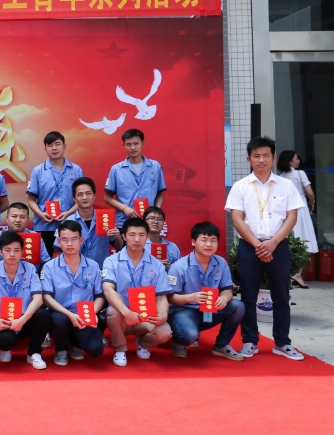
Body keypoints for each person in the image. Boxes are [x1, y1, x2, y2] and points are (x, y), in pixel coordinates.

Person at [226, 136, 305, 360]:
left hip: (277, 244)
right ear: (248, 159)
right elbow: (237, 219)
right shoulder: (241, 186)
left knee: (281, 295)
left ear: (273, 158)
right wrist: (258, 244)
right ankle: (250, 341)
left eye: (266, 156)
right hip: (249, 245)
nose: (261, 160)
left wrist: (273, 243)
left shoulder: (286, 185)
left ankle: (282, 342)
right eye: (256, 156)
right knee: (248, 296)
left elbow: (291, 217)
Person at [167, 221, 245, 361]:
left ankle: (221, 345)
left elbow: (227, 289)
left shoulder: (221, 263)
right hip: (184, 311)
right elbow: (170, 298)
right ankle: (178, 341)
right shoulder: (178, 267)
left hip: (209, 310)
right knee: (189, 336)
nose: (209, 244)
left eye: (213, 240)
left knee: (238, 306)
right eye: (204, 240)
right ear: (193, 242)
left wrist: (224, 298)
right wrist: (191, 298)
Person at [101, 218, 172, 366]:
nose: (137, 239)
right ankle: (120, 349)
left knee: (165, 332)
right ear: (124, 236)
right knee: (112, 312)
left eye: (141, 235)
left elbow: (161, 297)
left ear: (147, 237)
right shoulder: (111, 261)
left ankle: (143, 344)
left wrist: (163, 314)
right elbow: (108, 290)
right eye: (132, 235)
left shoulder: (157, 265)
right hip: (122, 316)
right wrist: (126, 312)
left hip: (146, 316)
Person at [0, 231, 53, 369]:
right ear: (0, 252)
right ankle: (5, 349)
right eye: (7, 250)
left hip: (25, 319)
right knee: (5, 342)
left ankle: (34, 353)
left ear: (22, 252)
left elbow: (38, 299)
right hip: (3, 320)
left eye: (16, 250)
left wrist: (22, 320)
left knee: (44, 315)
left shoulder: (30, 268)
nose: (12, 254)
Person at [41, 221, 106, 366]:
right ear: (59, 242)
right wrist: (69, 315)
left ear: (81, 240)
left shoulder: (93, 265)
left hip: (84, 315)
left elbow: (100, 296)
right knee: (58, 320)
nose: (69, 243)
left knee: (96, 349)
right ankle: (61, 348)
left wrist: (92, 313)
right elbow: (46, 297)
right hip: (61, 314)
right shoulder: (50, 267)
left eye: (74, 239)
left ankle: (74, 344)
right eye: (65, 239)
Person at [27, 132, 84, 256]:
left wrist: (68, 213)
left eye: (57, 144)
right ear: (45, 148)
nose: (54, 148)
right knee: (43, 260)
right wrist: (41, 214)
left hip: (69, 224)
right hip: (44, 225)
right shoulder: (38, 171)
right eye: (50, 145)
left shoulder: (76, 170)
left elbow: (81, 200)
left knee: (68, 259)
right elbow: (31, 200)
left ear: (64, 146)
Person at [104, 129, 166, 227]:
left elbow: (160, 193)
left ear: (143, 143)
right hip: (124, 221)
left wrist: (156, 211)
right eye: (128, 144)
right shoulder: (116, 169)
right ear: (124, 145)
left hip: (149, 223)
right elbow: (107, 197)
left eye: (136, 143)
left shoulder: (155, 166)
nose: (132, 148)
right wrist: (124, 208)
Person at [277, 150, 319, 288]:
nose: (299, 161)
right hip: (300, 210)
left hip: (286, 211)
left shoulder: (280, 177)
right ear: (290, 161)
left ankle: (288, 273)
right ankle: (297, 273)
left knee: (289, 241)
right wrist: (312, 203)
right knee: (304, 239)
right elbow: (310, 193)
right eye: (296, 158)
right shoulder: (300, 174)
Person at [59, 177, 122, 265]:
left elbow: (119, 247)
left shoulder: (105, 218)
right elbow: (59, 251)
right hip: (76, 270)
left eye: (88, 193)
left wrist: (118, 237)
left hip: (101, 269)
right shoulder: (67, 222)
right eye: (80, 194)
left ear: (94, 195)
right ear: (74, 198)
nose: (84, 197)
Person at [0, 202, 51, 271]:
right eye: (14, 216)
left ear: (28, 220)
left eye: (22, 217)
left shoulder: (36, 238)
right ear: (7, 219)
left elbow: (46, 263)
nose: (18, 220)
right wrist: (5, 263)